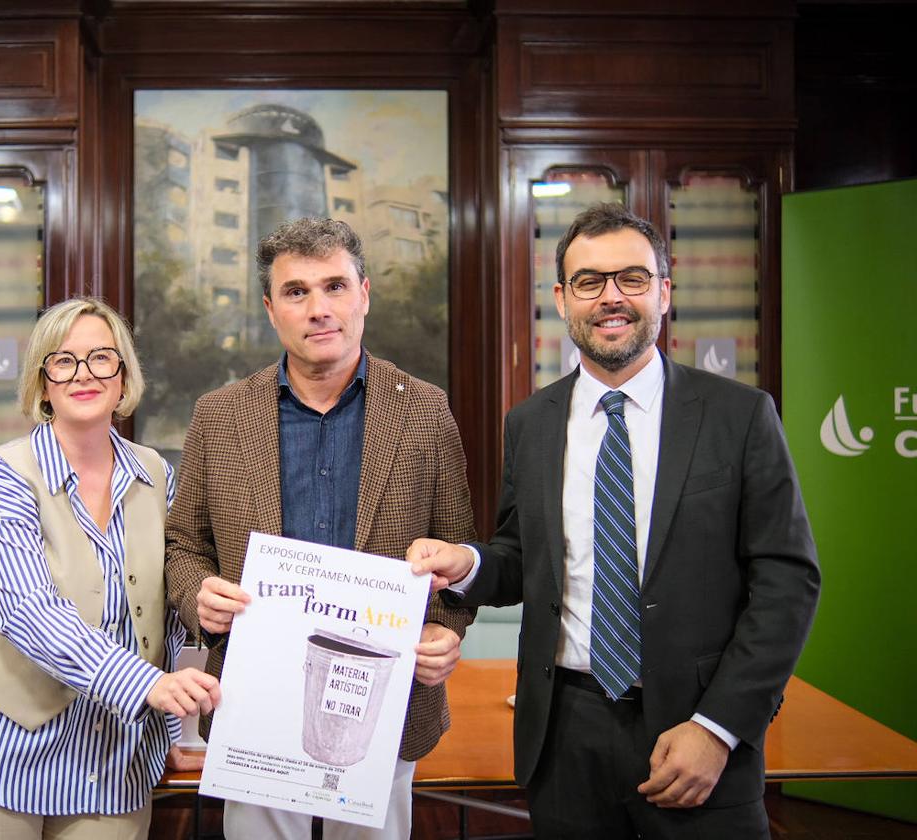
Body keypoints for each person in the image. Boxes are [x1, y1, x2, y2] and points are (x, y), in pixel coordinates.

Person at [407, 203, 821, 839]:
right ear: (561, 298)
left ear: (663, 290)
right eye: (589, 281)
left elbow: (787, 582)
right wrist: (473, 564)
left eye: (631, 277)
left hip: (698, 731)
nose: (611, 298)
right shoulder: (531, 423)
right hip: (564, 734)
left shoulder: (740, 417)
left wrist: (717, 729)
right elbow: (523, 557)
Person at [164, 217, 476, 840]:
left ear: (364, 294)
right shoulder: (218, 416)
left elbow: (454, 554)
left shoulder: (425, 410)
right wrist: (195, 593)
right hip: (255, 700)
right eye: (296, 291)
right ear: (270, 308)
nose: (318, 308)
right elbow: (183, 547)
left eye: (334, 286)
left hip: (384, 700)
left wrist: (444, 633)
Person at [0, 297, 221, 840]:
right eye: (63, 360)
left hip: (111, 760)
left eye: (102, 358)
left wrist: (176, 723)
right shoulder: (1, 477)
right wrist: (150, 686)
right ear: (42, 380)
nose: (84, 374)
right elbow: (30, 614)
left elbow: (168, 601)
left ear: (123, 377)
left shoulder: (157, 475)